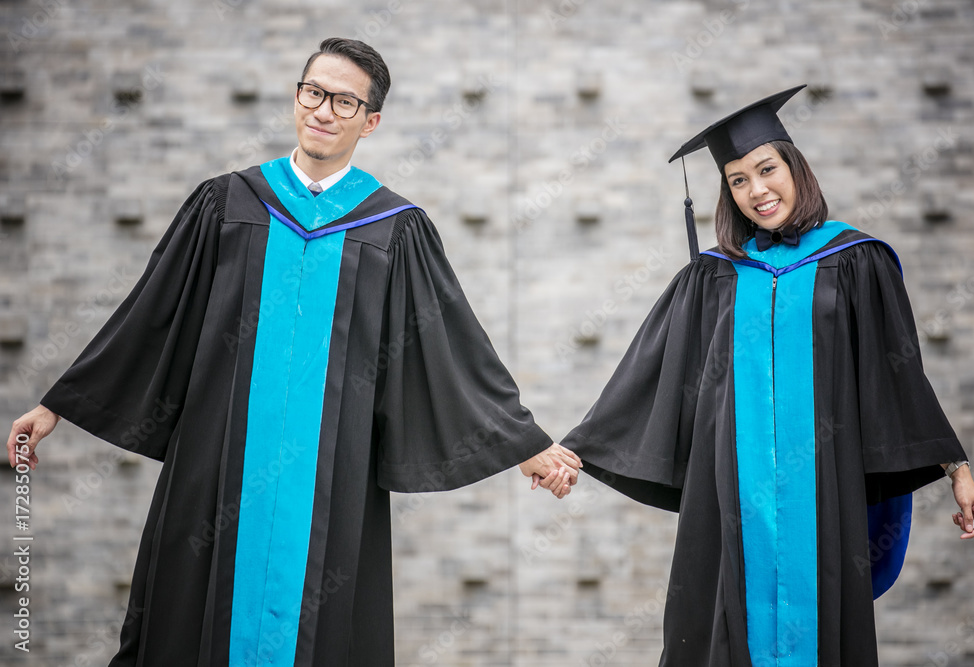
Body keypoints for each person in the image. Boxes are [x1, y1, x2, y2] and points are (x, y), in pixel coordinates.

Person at [6, 38, 581, 666]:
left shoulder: (393, 228)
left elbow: (447, 350)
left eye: (344, 101)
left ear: (371, 121)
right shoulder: (225, 204)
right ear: (297, 96)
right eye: (314, 92)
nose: (324, 110)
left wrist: (524, 447)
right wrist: (59, 404)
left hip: (331, 481)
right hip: (215, 467)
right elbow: (151, 313)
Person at [561, 85, 974, 666]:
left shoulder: (855, 260)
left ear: (795, 168)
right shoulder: (713, 276)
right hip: (729, 495)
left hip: (822, 490)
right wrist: (576, 451)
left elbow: (899, 377)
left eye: (767, 170)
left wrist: (955, 468)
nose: (757, 190)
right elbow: (651, 373)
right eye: (738, 180)